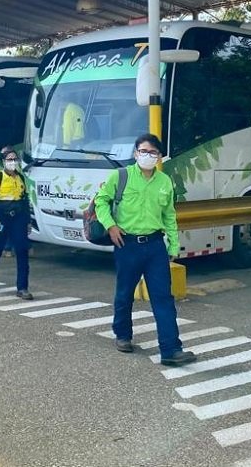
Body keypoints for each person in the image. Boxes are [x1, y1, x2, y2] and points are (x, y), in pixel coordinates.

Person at [93, 133, 196, 367]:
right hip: (126, 244)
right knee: (124, 293)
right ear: (135, 153)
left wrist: (174, 242)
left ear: (159, 156)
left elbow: (169, 214)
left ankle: (171, 349)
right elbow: (101, 201)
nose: (148, 156)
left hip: (155, 246)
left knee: (163, 298)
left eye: (153, 152)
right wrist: (111, 226)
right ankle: (123, 334)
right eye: (143, 151)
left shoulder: (165, 182)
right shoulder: (120, 177)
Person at [0, 147, 33, 299]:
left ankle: (22, 288)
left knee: (22, 251)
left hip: (18, 217)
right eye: (9, 159)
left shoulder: (20, 178)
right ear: (3, 161)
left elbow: (25, 200)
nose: (12, 162)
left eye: (14, 159)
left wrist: (28, 221)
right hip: (2, 217)